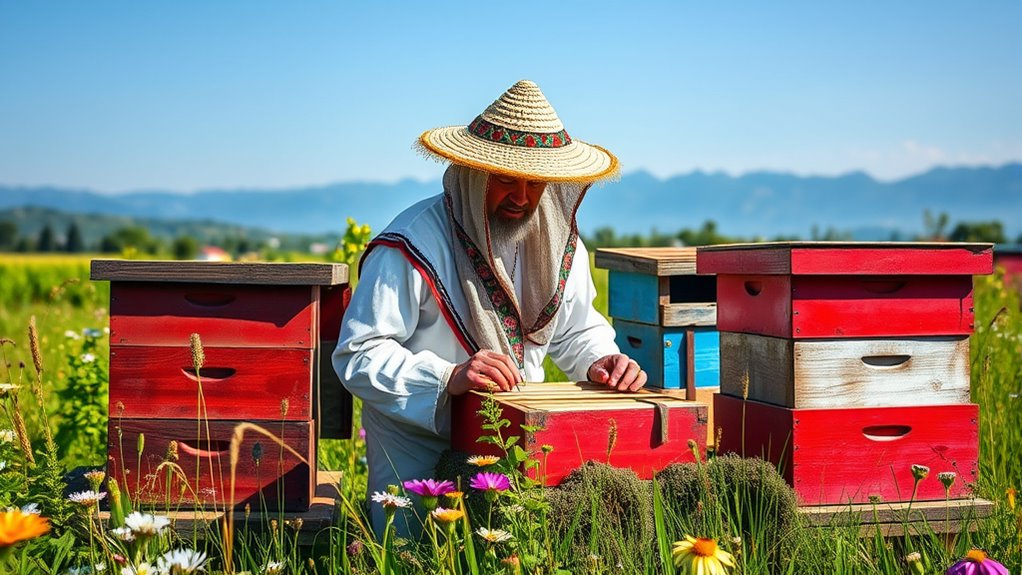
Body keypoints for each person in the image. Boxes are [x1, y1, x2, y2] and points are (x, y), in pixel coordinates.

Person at [333, 80, 646, 535]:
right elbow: (358, 353)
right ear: (474, 171)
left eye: (535, 182)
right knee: (416, 557)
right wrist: (448, 377)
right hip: (416, 449)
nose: (522, 197)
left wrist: (602, 360)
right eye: (505, 179)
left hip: (514, 446)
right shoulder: (411, 243)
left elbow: (576, 331)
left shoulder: (558, 244)